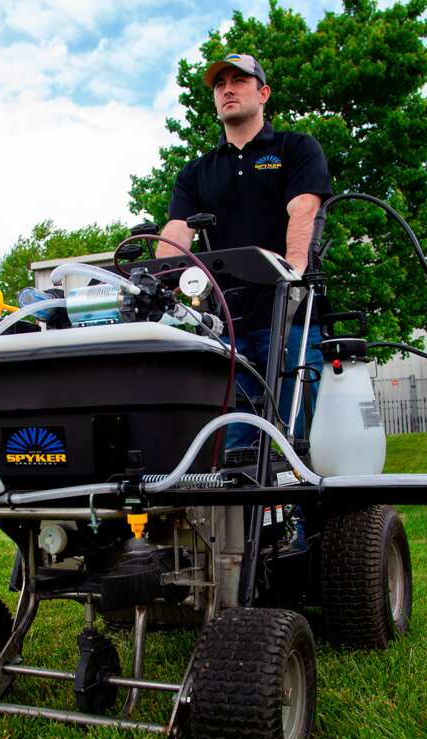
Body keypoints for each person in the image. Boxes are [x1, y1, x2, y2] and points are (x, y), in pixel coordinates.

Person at [156, 53, 332, 452]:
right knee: (235, 446)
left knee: (294, 442)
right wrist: (154, 277)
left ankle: (302, 516)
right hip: (228, 326)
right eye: (220, 85)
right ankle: (246, 513)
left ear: (263, 92)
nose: (228, 89)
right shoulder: (196, 172)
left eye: (239, 80)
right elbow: (176, 232)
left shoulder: (295, 148)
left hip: (289, 318)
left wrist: (294, 271)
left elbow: (303, 209)